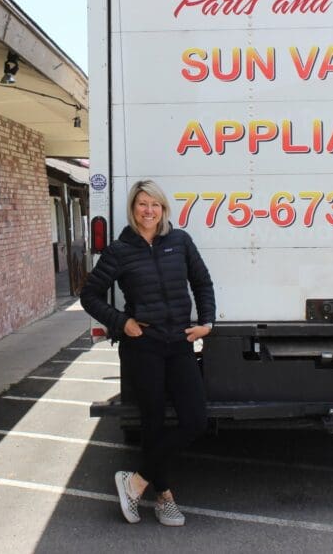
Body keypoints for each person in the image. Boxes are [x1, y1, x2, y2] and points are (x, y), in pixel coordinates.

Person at [80, 179, 215, 527]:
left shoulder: (180, 241)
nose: (149, 210)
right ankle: (165, 498)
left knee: (195, 420)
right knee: (153, 424)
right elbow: (90, 294)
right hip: (144, 347)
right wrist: (121, 322)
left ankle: (135, 481)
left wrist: (207, 322)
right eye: (142, 204)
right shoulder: (120, 250)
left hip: (180, 344)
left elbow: (202, 282)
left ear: (164, 208)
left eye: (154, 204)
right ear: (133, 208)